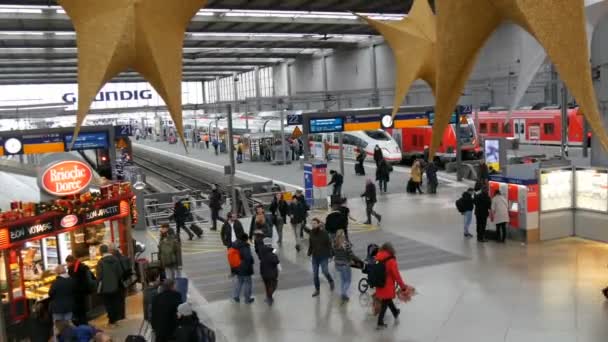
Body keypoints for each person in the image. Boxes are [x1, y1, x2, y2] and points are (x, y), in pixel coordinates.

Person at [374, 242, 407, 330]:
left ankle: (395, 312)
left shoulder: (377, 257)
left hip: (379, 284)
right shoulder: (391, 260)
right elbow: (396, 275)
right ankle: (379, 323)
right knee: (385, 302)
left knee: (387, 300)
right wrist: (403, 286)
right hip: (387, 285)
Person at [304, 217, 335, 297]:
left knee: (325, 271)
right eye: (312, 224)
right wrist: (309, 253)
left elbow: (329, 244)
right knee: (315, 274)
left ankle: (331, 281)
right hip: (315, 257)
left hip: (323, 256)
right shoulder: (311, 233)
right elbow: (311, 244)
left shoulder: (324, 233)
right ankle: (317, 290)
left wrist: (331, 254)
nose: (313, 225)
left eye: (314, 223)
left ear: (318, 224)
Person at [96, 244, 124, 327]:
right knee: (115, 303)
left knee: (108, 304)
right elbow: (120, 273)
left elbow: (99, 276)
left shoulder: (100, 262)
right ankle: (115, 320)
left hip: (105, 287)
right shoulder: (115, 259)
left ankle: (111, 321)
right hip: (115, 286)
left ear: (101, 252)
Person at [66, 255, 95, 326]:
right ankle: (84, 322)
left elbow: (73, 281)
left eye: (67, 263)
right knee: (82, 307)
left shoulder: (72, 269)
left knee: (78, 308)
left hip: (77, 292)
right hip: (84, 290)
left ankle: (81, 323)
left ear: (70, 262)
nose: (67, 264)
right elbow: (92, 277)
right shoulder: (83, 266)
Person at [333, 230, 360, 304]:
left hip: (337, 265)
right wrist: (358, 260)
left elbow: (333, 253)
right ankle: (343, 294)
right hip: (345, 265)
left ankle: (343, 294)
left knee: (342, 280)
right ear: (343, 235)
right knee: (348, 281)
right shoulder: (346, 244)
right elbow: (351, 254)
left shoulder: (334, 243)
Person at [232, 233, 255, 304]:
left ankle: (236, 296)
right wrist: (252, 261)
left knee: (239, 281)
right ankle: (247, 299)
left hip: (237, 267)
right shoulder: (244, 246)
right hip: (245, 268)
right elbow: (248, 257)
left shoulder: (235, 244)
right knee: (248, 283)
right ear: (245, 239)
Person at [259, 238, 281, 305]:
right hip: (272, 274)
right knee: (273, 285)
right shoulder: (273, 254)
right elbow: (277, 263)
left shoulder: (262, 252)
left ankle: (269, 298)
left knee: (267, 286)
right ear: (270, 244)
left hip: (263, 273)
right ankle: (269, 297)